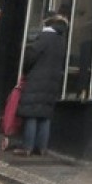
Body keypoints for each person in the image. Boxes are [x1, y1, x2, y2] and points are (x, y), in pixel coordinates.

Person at [13, 11, 68, 156]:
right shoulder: (61, 40)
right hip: (52, 82)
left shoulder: (44, 37)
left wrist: (25, 70)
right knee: (44, 115)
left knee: (31, 113)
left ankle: (27, 147)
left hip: (37, 79)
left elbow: (31, 57)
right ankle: (42, 148)